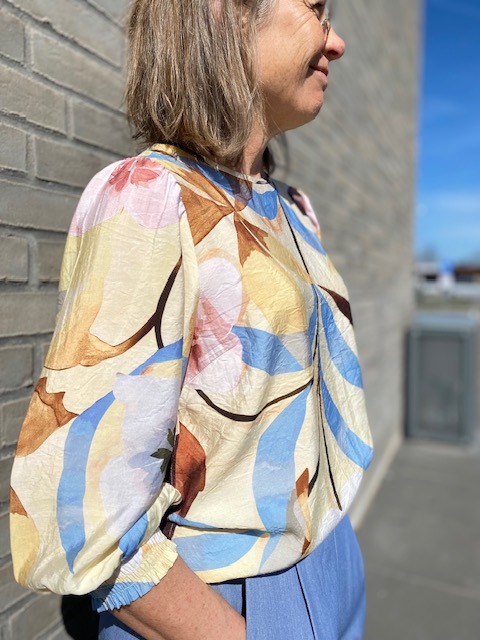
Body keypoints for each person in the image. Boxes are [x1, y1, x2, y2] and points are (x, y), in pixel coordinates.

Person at [10, 1, 374, 638]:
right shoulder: (150, 195)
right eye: (315, 8)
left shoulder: (293, 208)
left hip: (332, 560)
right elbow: (81, 509)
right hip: (226, 599)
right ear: (225, 13)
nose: (336, 41)